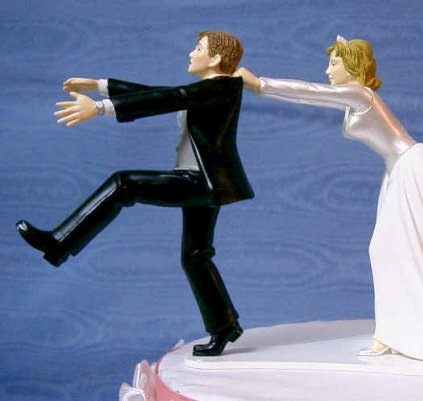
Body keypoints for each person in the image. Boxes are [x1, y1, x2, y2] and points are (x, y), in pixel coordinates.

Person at [235, 36, 423, 363]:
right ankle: (394, 332)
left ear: (352, 65)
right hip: (397, 171)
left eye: (334, 63)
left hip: (413, 166)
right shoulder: (357, 98)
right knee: (388, 249)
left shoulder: (361, 94)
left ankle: (410, 333)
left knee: (402, 248)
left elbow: (312, 93)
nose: (328, 70)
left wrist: (259, 84)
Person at [16, 30, 252, 357]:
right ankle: (224, 326)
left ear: (215, 58)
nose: (190, 53)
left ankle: (60, 242)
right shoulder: (209, 89)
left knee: (125, 183)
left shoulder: (221, 87)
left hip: (203, 181)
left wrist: (99, 108)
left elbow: (170, 97)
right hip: (204, 180)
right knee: (195, 256)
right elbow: (160, 94)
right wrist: (100, 85)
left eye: (198, 48)